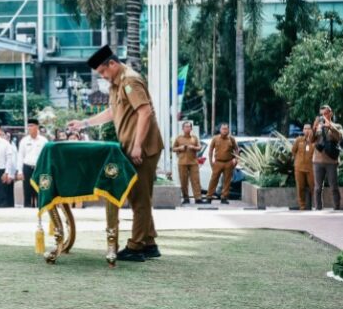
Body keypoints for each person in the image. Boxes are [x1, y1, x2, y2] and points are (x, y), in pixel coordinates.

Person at [68, 45, 164, 262]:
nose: (102, 76)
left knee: (139, 198)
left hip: (143, 148)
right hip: (131, 146)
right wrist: (84, 123)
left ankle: (136, 246)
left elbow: (145, 111)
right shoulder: (116, 84)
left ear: (112, 63)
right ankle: (149, 243)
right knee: (139, 195)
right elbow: (113, 112)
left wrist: (138, 145)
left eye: (103, 71)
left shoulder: (130, 80)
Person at [313, 104, 343, 210]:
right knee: (317, 188)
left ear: (331, 113)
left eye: (325, 113)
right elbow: (311, 140)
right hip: (318, 160)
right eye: (321, 114)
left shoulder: (337, 126)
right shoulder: (318, 127)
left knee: (334, 187)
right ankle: (318, 208)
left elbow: (340, 137)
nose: (323, 116)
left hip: (331, 161)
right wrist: (314, 127)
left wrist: (330, 126)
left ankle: (337, 208)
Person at [15, 119, 48, 208]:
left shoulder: (44, 141)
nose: (29, 128)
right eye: (28, 126)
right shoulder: (24, 141)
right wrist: (20, 171)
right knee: (27, 191)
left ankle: (40, 210)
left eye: (32, 126)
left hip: (39, 168)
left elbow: (46, 157)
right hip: (27, 168)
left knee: (40, 191)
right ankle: (27, 210)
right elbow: (20, 156)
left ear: (37, 127)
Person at [205, 123, 238, 205]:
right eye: (223, 129)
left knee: (227, 181)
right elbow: (210, 151)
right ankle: (209, 197)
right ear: (220, 130)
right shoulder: (215, 138)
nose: (224, 131)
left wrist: (236, 160)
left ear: (228, 130)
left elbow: (236, 149)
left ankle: (224, 197)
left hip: (228, 162)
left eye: (226, 129)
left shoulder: (231, 139)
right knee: (213, 180)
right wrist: (211, 162)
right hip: (218, 162)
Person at [172, 121, 204, 205]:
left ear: (191, 128)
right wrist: (180, 148)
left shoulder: (194, 138)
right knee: (183, 181)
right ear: (183, 128)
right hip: (182, 162)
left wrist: (194, 147)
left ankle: (198, 198)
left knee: (196, 180)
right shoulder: (179, 138)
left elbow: (200, 147)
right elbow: (173, 148)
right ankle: (186, 198)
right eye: (186, 127)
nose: (187, 128)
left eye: (189, 127)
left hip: (193, 162)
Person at [291, 123, 315, 211]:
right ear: (303, 130)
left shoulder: (314, 141)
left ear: (311, 130)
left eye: (308, 129)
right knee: (300, 187)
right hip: (299, 167)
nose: (307, 130)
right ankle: (302, 206)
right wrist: (297, 161)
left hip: (311, 168)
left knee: (313, 187)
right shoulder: (299, 140)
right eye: (305, 129)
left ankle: (316, 205)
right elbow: (293, 151)